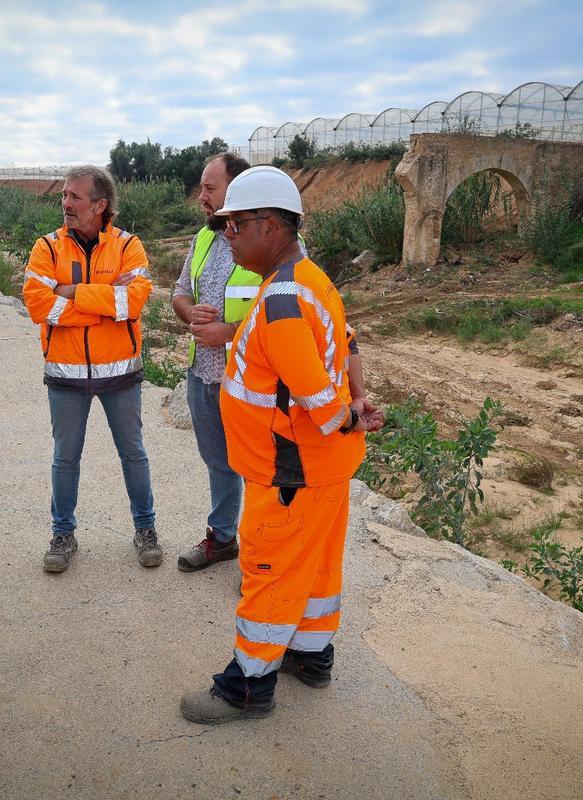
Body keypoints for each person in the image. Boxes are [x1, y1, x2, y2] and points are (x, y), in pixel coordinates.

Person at [180, 166, 384, 725]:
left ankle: (247, 686)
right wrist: (357, 402)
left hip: (289, 472)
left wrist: (350, 414)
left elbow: (318, 401)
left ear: (269, 226)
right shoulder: (307, 279)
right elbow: (346, 344)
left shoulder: (281, 300)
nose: (226, 235)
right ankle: (311, 654)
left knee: (269, 570)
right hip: (320, 469)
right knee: (315, 567)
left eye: (234, 225)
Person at [22, 166, 159, 572]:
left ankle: (146, 528)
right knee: (65, 458)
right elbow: (38, 305)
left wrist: (71, 294)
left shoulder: (129, 245)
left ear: (100, 205)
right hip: (65, 376)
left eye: (74, 196)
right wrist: (105, 303)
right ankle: (63, 534)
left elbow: (133, 302)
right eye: (64, 196)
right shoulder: (47, 248)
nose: (65, 203)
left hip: (120, 376)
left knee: (133, 454)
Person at [171, 152, 254, 572]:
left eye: (209, 188)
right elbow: (179, 293)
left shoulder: (266, 242)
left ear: (235, 190)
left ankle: (262, 555)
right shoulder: (203, 239)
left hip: (250, 381)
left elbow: (289, 312)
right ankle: (222, 538)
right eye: (201, 188)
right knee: (218, 462)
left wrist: (228, 332)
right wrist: (191, 313)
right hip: (202, 376)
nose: (200, 197)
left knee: (259, 468)